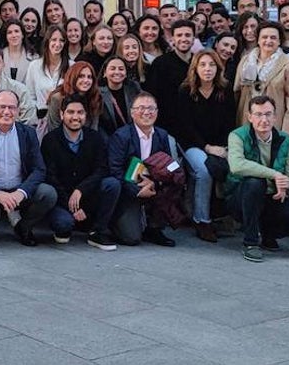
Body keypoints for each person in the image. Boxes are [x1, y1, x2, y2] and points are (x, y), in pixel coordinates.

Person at [226, 95, 289, 263]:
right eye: (258, 114)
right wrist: (275, 174)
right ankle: (251, 242)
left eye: (268, 114)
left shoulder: (285, 140)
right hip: (242, 197)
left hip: (274, 198)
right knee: (255, 182)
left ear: (275, 117)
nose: (264, 119)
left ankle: (269, 232)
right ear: (250, 117)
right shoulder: (237, 136)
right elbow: (237, 165)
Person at [0, 89, 55, 246]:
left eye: (11, 107)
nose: (6, 112)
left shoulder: (28, 133)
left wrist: (21, 192)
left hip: (19, 190)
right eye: (2, 107)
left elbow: (39, 169)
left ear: (18, 110)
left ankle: (24, 227)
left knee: (48, 193)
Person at [41, 94, 120, 248]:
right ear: (62, 114)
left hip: (87, 197)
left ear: (86, 115)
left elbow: (102, 169)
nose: (75, 117)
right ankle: (70, 224)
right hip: (62, 200)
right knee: (63, 224)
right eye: (70, 112)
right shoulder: (50, 140)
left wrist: (80, 190)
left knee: (112, 183)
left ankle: (98, 232)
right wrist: (71, 206)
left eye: (80, 112)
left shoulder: (95, 138)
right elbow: (50, 177)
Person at [175, 50, 236, 243]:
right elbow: (185, 127)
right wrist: (208, 147)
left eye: (211, 65)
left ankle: (226, 216)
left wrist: (224, 148)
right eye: (203, 65)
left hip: (220, 145)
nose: (207, 69)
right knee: (203, 170)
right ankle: (202, 220)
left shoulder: (224, 91)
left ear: (218, 68)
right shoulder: (185, 91)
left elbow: (229, 122)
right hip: (192, 144)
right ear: (195, 68)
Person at [107, 92, 183, 247]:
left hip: (153, 185)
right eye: (141, 108)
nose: (147, 112)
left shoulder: (162, 135)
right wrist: (137, 190)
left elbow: (167, 165)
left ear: (157, 112)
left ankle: (154, 228)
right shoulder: (121, 136)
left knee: (174, 179)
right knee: (131, 238)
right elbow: (115, 171)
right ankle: (115, 224)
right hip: (128, 189)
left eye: (151, 108)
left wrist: (154, 183)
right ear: (132, 112)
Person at [234, 21, 289, 137]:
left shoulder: (288, 64)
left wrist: (287, 133)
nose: (268, 41)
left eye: (273, 38)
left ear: (279, 41)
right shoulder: (246, 61)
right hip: (247, 121)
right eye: (264, 37)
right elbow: (237, 91)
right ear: (258, 40)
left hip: (275, 124)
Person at [145, 20, 195, 133]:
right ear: (172, 39)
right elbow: (152, 95)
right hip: (167, 125)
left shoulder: (199, 63)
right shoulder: (160, 63)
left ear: (193, 39)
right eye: (179, 35)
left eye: (187, 35)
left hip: (195, 125)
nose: (183, 39)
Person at [25, 26, 69, 122]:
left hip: (64, 120)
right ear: (47, 41)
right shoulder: (34, 66)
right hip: (40, 120)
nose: (57, 44)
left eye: (61, 40)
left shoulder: (71, 66)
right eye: (54, 39)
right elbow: (30, 95)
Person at [46, 61, 101, 131]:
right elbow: (54, 128)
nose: (86, 80)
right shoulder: (58, 98)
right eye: (81, 76)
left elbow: (94, 130)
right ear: (73, 77)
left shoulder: (95, 98)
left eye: (89, 77)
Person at [98, 57, 140, 135]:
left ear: (126, 73)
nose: (117, 72)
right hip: (109, 139)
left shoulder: (134, 88)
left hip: (132, 137)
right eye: (112, 69)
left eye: (121, 69)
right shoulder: (98, 94)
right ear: (104, 73)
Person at [0, 20, 39, 85]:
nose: (14, 35)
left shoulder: (34, 57)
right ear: (6, 36)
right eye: (9, 32)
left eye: (16, 31)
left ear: (22, 34)